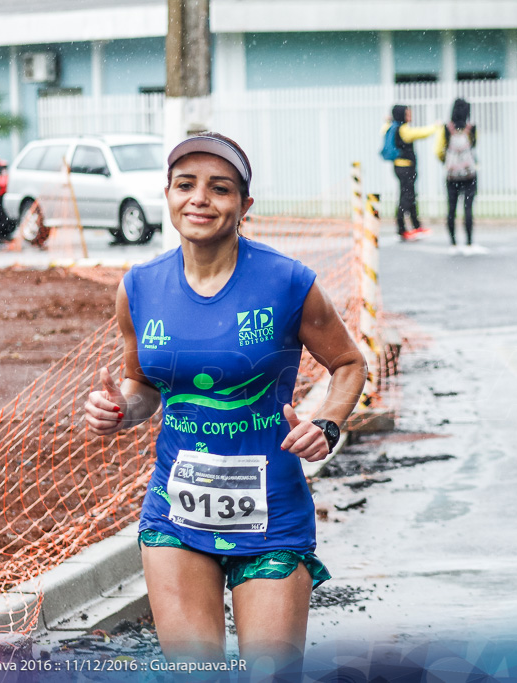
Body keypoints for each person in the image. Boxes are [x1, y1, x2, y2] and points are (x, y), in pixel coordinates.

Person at [84, 132, 367, 672]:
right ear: (166, 194)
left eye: (220, 189)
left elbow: (349, 364)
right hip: (176, 514)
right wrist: (120, 410)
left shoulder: (287, 282)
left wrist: (326, 422)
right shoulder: (139, 288)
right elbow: (142, 388)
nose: (200, 199)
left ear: (244, 206)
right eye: (185, 185)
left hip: (273, 518)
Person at [384, 104, 439, 241]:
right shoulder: (403, 130)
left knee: (410, 196)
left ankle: (415, 226)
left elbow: (384, 129)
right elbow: (421, 133)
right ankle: (401, 229)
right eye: (407, 114)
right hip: (406, 168)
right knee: (406, 198)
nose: (410, 116)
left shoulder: (391, 127)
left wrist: (388, 121)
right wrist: (436, 127)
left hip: (401, 167)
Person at [436, 98, 483, 255]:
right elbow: (474, 146)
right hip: (469, 175)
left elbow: (438, 151)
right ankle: (469, 243)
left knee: (451, 209)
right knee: (468, 208)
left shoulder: (446, 129)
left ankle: (453, 243)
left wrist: (447, 162)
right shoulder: (471, 128)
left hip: (451, 176)